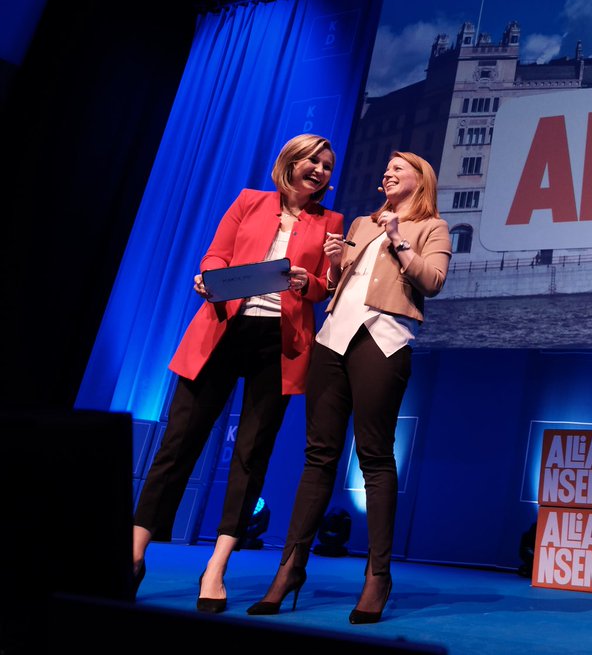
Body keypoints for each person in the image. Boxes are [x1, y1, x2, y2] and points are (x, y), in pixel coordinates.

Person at [133, 134, 343, 612]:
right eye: (313, 160)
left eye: (328, 166)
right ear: (290, 161)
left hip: (279, 344)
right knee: (177, 444)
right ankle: (135, 552)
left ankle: (217, 567)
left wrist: (308, 280)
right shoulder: (250, 201)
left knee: (251, 454)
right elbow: (216, 255)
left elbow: (325, 288)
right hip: (223, 330)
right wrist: (208, 277)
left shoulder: (331, 221)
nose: (320, 170)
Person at [249, 151, 450, 624]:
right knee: (318, 455)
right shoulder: (361, 222)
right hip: (333, 338)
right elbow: (340, 283)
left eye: (398, 169)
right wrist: (337, 264)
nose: (387, 173)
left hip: (384, 339)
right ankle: (290, 567)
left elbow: (433, 282)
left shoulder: (433, 226)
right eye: (386, 169)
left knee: (375, 457)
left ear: (420, 179)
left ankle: (377, 575)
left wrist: (398, 239)